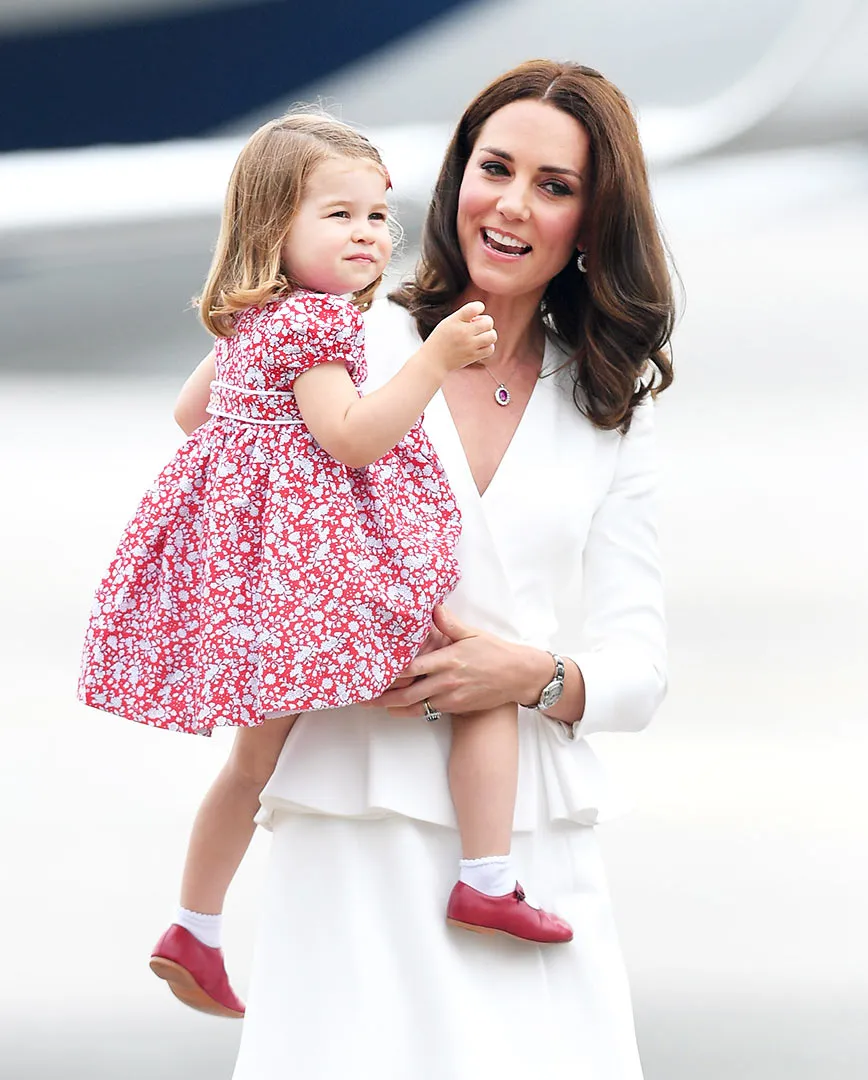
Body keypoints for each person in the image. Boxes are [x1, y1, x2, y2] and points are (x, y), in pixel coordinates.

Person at [172, 59, 673, 1078]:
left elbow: (641, 667)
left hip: (526, 835)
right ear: (455, 180)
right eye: (496, 167)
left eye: (555, 185)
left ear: (592, 221)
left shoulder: (609, 404)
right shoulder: (342, 331)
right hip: (351, 799)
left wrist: (532, 675)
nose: (513, 203)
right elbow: (214, 457)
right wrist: (312, 612)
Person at [79, 112, 576, 1015]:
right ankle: (487, 878)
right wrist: (433, 360)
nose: (367, 236)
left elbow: (193, 416)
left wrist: (260, 477)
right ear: (274, 228)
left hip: (267, 578)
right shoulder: (315, 325)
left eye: (377, 216)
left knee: (249, 766)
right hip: (321, 577)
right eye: (339, 216)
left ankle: (194, 925)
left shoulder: (251, 320)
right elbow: (352, 437)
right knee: (477, 673)